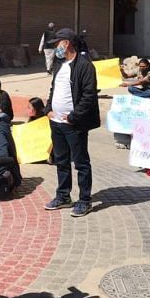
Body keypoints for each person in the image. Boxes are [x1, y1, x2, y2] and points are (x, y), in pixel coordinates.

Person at [43, 28, 100, 217]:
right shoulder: (59, 64)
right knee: (61, 161)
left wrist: (74, 116)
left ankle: (85, 200)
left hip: (74, 124)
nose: (55, 48)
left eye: (57, 44)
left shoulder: (84, 65)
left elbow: (89, 95)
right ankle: (63, 196)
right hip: (56, 122)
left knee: (81, 162)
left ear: (66, 43)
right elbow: (54, 88)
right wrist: (48, 108)